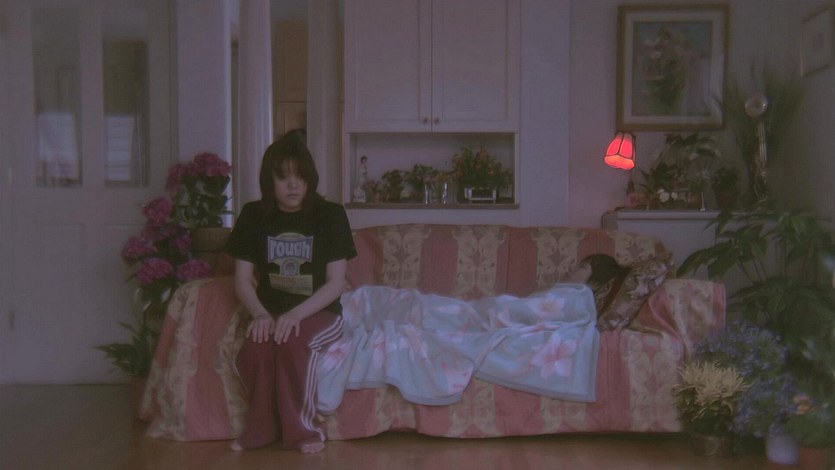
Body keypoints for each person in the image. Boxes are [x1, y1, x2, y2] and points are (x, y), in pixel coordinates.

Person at [224, 129, 357, 453]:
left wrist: (296, 315)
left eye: (300, 176)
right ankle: (261, 429)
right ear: (269, 181)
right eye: (283, 178)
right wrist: (260, 314)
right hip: (269, 311)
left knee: (294, 342)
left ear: (310, 178)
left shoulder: (330, 215)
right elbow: (242, 278)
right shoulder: (254, 215)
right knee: (256, 349)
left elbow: (335, 283)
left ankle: (303, 432)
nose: (293, 185)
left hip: (321, 313)